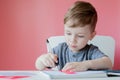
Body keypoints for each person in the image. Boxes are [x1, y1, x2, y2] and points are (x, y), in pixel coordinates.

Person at [35, 1, 112, 72]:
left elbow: (108, 63)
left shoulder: (91, 51)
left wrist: (85, 65)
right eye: (68, 33)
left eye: (80, 36)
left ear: (91, 36)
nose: (72, 40)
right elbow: (38, 66)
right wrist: (42, 60)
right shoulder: (61, 50)